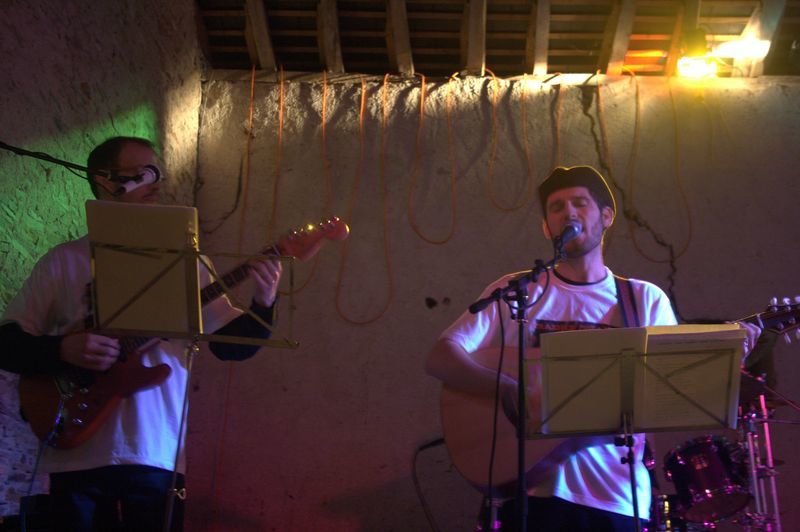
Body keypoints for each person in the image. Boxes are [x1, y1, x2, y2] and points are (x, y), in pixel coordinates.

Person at [425, 165, 761, 531]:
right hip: (531, 493)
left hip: (615, 497)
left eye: (579, 203)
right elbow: (442, 356)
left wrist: (722, 354)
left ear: (606, 216)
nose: (567, 212)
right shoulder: (518, 291)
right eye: (556, 207)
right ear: (546, 227)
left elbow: (674, 387)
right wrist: (509, 389)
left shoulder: (643, 299)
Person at [0, 136, 283, 531]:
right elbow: (7, 344)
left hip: (157, 450)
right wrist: (64, 349)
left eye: (158, 172)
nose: (156, 182)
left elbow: (232, 348)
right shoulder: (64, 261)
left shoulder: (188, 263)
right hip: (76, 450)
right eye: (143, 173)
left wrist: (264, 300)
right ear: (105, 179)